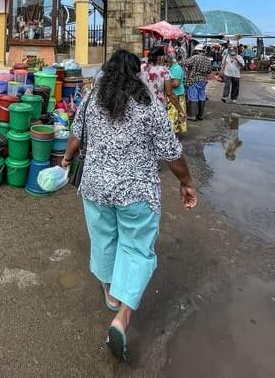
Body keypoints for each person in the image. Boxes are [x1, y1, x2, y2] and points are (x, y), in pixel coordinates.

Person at [61, 50, 197, 361]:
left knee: (105, 238)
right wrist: (187, 182)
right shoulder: (149, 104)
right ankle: (122, 317)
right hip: (137, 192)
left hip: (96, 188)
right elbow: (171, 151)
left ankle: (110, 292)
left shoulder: (93, 98)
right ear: (137, 73)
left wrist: (67, 160)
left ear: (107, 72)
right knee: (136, 248)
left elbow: (75, 136)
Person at [140, 47, 187, 125]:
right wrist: (180, 110)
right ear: (160, 57)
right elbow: (170, 93)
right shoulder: (164, 71)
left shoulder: (140, 68)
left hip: (142, 105)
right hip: (158, 107)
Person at [184, 44, 212, 120]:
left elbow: (185, 63)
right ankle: (200, 115)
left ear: (197, 51)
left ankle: (192, 115)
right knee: (202, 96)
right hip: (203, 80)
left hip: (194, 79)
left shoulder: (195, 57)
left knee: (193, 96)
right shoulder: (208, 60)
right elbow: (209, 71)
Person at [167, 55, 187, 135]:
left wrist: (164, 83)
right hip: (174, 95)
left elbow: (176, 83)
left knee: (173, 115)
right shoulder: (173, 67)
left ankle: (172, 134)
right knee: (173, 115)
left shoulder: (176, 69)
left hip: (176, 95)